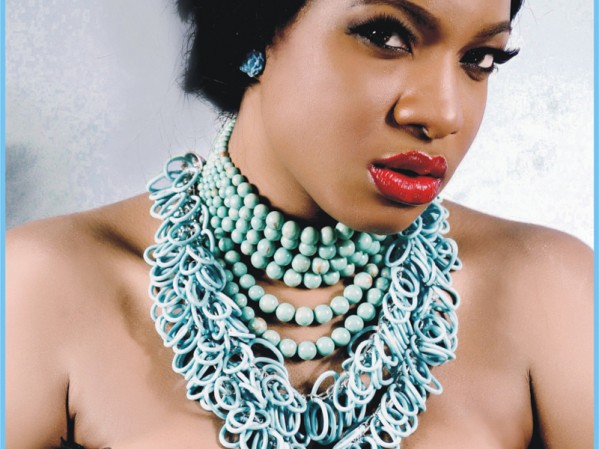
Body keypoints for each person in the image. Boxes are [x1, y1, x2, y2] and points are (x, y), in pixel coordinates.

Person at [6, 0, 593, 448]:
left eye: (479, 59)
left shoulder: (550, 293)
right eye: (386, 36)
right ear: (253, 30)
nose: (443, 113)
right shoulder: (43, 288)